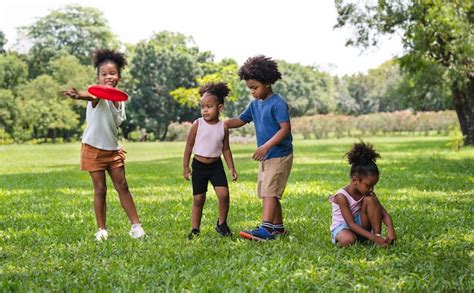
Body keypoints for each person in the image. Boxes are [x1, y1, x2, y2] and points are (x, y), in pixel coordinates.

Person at [62, 49, 145, 241]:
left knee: (123, 186)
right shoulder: (97, 95)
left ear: (119, 76)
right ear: (98, 78)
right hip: (93, 148)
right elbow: (91, 96)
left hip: (113, 149)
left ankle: (136, 226)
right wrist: (78, 96)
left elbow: (115, 123)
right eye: (104, 74)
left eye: (112, 73)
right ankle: (101, 230)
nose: (109, 77)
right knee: (100, 189)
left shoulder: (120, 100)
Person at [225, 55, 293, 241]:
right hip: (266, 157)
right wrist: (220, 124)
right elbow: (240, 120)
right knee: (266, 191)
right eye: (250, 88)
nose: (252, 92)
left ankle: (266, 229)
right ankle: (277, 228)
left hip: (279, 155)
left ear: (268, 82)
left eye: (255, 87)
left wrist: (266, 146)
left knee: (270, 191)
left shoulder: (277, 103)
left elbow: (285, 129)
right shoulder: (255, 105)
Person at [183, 82, 238, 240]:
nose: (205, 110)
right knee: (199, 198)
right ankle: (195, 229)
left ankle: (222, 224)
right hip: (199, 166)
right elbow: (188, 146)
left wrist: (231, 168)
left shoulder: (223, 127)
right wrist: (186, 167)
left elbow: (226, 149)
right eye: (202, 106)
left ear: (220, 108)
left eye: (209, 106)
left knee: (224, 195)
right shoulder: (197, 124)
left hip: (216, 166)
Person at [329, 142, 397, 247]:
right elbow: (350, 224)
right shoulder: (342, 196)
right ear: (355, 180)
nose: (371, 189)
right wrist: (373, 237)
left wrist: (391, 230)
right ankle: (369, 238)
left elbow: (383, 214)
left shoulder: (367, 193)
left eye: (374, 186)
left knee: (371, 200)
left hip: (361, 225)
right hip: (344, 227)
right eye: (368, 185)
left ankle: (376, 236)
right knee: (348, 240)